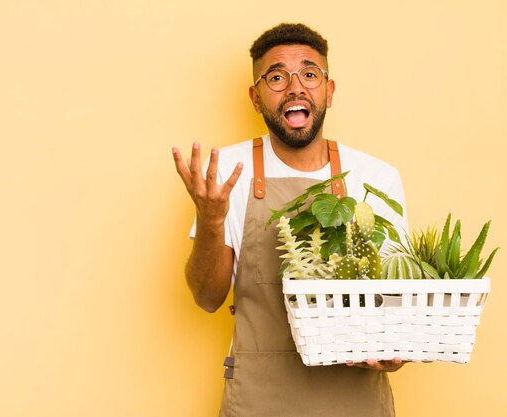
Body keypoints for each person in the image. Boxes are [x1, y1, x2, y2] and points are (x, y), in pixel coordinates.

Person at [172, 23, 408, 417]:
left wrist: (396, 355)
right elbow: (207, 297)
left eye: (310, 74)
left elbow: (398, 307)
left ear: (328, 92)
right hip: (259, 401)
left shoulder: (376, 177)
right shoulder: (229, 170)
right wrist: (210, 220)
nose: (295, 88)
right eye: (277, 77)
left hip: (356, 402)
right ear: (255, 96)